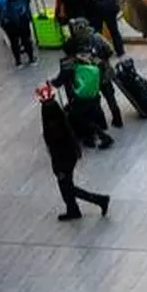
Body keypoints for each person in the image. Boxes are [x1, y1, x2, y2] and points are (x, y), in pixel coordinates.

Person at [37, 84, 110, 221]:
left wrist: (58, 168)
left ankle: (98, 200)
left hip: (63, 161)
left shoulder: (52, 127)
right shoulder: (60, 119)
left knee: (67, 187)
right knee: (66, 187)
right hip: (69, 156)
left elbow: (56, 149)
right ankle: (73, 208)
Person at [49, 42, 114, 149]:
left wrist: (51, 83)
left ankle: (102, 137)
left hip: (80, 97)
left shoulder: (70, 64)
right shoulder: (93, 59)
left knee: (82, 118)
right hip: (94, 94)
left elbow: (58, 82)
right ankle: (94, 138)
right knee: (91, 115)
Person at [0, 0, 35, 67]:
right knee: (26, 39)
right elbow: (25, 2)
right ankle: (31, 59)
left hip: (9, 23)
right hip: (22, 19)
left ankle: (18, 62)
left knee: (14, 41)